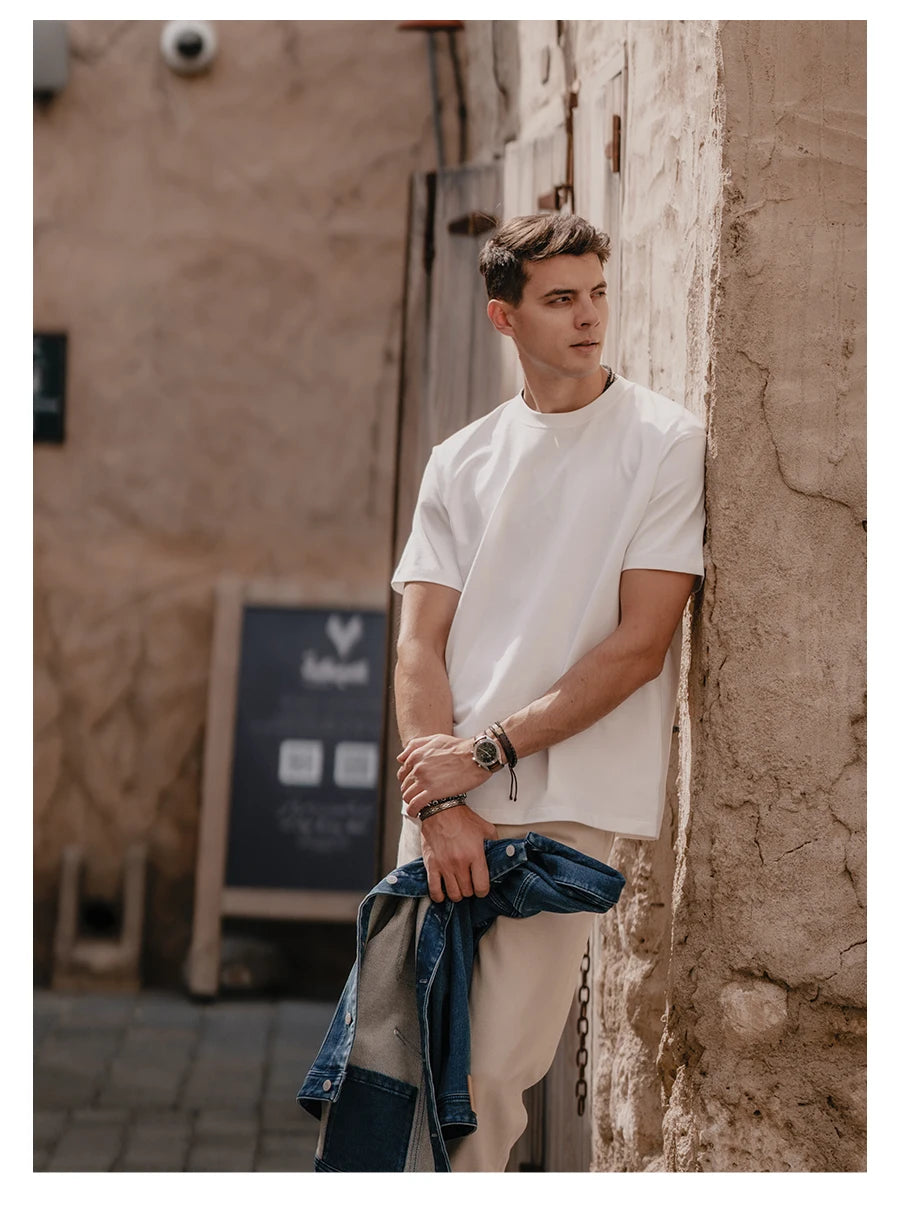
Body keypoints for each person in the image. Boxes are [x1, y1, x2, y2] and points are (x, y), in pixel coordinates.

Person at [391, 212, 706, 1172]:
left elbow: (640, 645)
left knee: (484, 1074)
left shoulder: (662, 442)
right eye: (560, 299)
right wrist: (442, 796)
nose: (587, 317)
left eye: (597, 294)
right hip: (446, 801)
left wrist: (481, 755)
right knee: (404, 1068)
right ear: (505, 317)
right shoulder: (461, 459)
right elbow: (419, 643)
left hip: (561, 809)